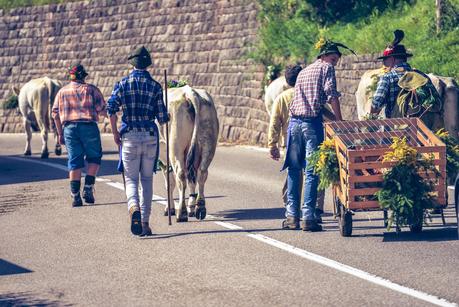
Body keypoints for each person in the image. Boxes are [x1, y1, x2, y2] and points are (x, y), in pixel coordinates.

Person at [282, 39, 354, 231]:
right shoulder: (326, 69)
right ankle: (308, 217)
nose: (334, 63)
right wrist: (339, 121)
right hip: (311, 124)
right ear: (323, 56)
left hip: (293, 124)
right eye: (332, 58)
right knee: (313, 170)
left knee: (294, 169)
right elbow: (331, 96)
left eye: (336, 61)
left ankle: (291, 217)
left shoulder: (303, 72)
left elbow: (309, 101)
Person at [107, 46, 169, 237]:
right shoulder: (156, 86)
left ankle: (133, 207)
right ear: (147, 64)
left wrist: (115, 132)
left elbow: (111, 109)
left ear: (132, 63)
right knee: (147, 180)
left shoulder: (122, 84)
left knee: (131, 179)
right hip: (150, 137)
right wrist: (166, 115)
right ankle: (145, 223)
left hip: (130, 137)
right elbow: (162, 118)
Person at [52, 63, 106, 207]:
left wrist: (60, 134)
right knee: (94, 157)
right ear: (84, 76)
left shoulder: (62, 92)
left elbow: (55, 114)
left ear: (71, 76)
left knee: (74, 160)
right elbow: (103, 110)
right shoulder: (92, 90)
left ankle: (75, 196)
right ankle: (88, 188)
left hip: (69, 128)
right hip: (89, 128)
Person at [370, 30, 414, 118]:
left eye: (385, 60)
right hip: (421, 126)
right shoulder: (420, 76)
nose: (383, 64)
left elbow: (376, 105)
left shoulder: (388, 77)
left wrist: (369, 121)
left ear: (392, 59)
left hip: (397, 127)